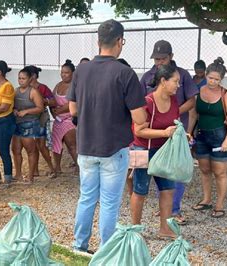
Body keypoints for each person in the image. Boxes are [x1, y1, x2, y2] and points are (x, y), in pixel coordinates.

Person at [68, 19, 147, 253]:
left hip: (86, 146)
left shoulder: (81, 70)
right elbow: (140, 118)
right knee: (110, 203)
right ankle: (105, 251)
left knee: (86, 198)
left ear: (98, 41)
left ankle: (79, 246)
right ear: (120, 42)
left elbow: (72, 109)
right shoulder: (125, 73)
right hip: (114, 148)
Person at [140, 40, 198, 225]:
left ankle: (174, 210)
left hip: (173, 134)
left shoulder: (182, 75)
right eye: (156, 59)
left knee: (175, 172)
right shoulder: (147, 76)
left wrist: (172, 114)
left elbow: (192, 100)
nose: (159, 62)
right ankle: (151, 217)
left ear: (171, 57)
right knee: (143, 181)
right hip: (148, 139)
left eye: (162, 58)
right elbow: (138, 104)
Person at [131, 64, 180, 238]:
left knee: (168, 189)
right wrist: (164, 133)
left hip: (164, 151)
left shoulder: (174, 101)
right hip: (143, 149)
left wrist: (182, 134)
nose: (177, 85)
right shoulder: (148, 102)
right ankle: (135, 229)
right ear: (163, 81)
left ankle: (164, 229)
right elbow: (138, 130)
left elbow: (175, 123)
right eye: (175, 81)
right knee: (140, 189)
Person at [188, 58, 227, 218]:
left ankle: (219, 204)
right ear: (206, 76)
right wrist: (189, 132)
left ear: (221, 79)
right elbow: (194, 114)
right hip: (202, 134)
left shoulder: (225, 94)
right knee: (204, 170)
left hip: (219, 135)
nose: (213, 82)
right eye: (210, 78)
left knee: (220, 172)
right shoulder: (199, 92)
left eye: (217, 79)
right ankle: (206, 199)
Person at [12, 67, 44, 184]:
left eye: (23, 78)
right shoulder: (15, 91)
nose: (21, 81)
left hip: (30, 123)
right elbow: (12, 105)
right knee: (15, 149)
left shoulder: (33, 92)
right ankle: (18, 174)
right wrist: (15, 110)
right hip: (17, 123)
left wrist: (26, 111)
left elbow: (40, 108)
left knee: (31, 150)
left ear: (30, 79)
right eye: (19, 78)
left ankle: (30, 176)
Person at [25, 65, 56, 178]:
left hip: (40, 119)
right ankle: (36, 170)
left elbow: (53, 102)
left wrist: (43, 100)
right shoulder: (26, 88)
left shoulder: (42, 88)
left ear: (32, 76)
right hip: (29, 119)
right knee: (33, 146)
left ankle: (52, 168)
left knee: (41, 145)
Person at [51, 60, 77, 174]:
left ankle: (79, 166)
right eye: (62, 72)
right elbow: (52, 100)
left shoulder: (75, 86)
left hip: (69, 119)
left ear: (73, 73)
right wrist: (54, 111)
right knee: (56, 144)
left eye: (66, 72)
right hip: (57, 119)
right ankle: (57, 167)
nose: (63, 74)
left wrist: (60, 110)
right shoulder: (58, 85)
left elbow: (75, 102)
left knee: (71, 145)